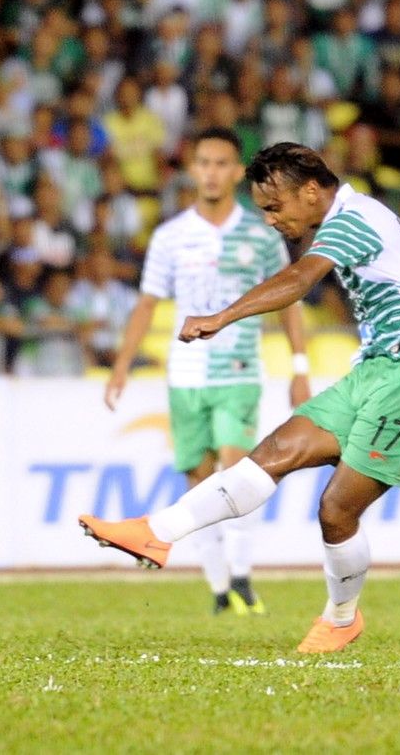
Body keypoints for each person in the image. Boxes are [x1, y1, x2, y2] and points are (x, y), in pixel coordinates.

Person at [82, 142, 400, 653]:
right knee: (271, 455)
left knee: (336, 510)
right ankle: (154, 531)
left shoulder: (347, 221)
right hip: (377, 368)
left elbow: (299, 279)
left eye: (275, 207)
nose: (271, 221)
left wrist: (220, 317)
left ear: (312, 192)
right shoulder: (365, 210)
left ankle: (341, 617)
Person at [103, 127, 312, 617]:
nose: (212, 172)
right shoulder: (171, 236)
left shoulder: (262, 233)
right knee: (198, 485)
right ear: (193, 170)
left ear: (237, 172)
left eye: (221, 163)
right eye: (204, 162)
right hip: (185, 376)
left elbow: (289, 298)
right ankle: (220, 589)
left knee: (237, 472)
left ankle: (242, 578)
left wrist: (299, 366)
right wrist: (120, 366)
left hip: (238, 370)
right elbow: (147, 303)